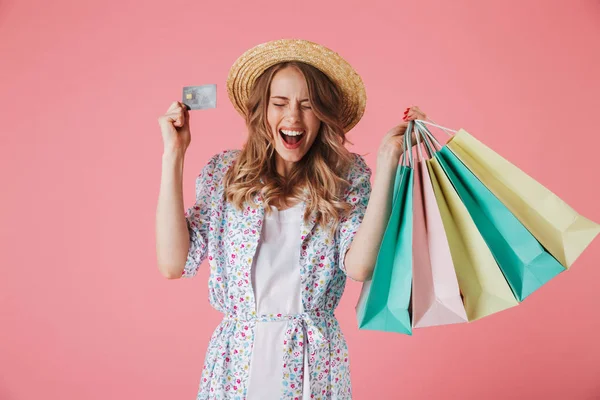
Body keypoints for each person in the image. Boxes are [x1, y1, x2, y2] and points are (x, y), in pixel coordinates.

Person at [156, 38, 426, 400]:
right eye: (279, 103)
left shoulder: (347, 176)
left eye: (308, 106)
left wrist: (388, 160)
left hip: (314, 365)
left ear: (323, 115)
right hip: (236, 364)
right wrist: (174, 154)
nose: (293, 118)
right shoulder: (224, 173)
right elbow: (174, 263)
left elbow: (361, 267)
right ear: (261, 111)